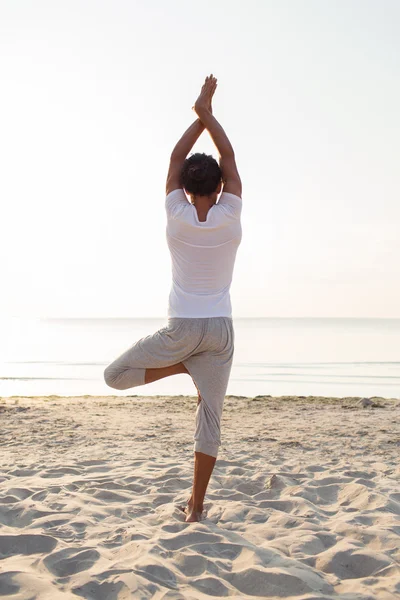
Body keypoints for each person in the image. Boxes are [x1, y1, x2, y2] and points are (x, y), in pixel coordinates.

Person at [104, 74, 242, 522]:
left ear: (184, 187)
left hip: (182, 329)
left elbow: (177, 156)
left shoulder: (176, 214)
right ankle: (196, 506)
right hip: (219, 331)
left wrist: (197, 115)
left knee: (115, 376)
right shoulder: (231, 213)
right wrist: (207, 112)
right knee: (211, 422)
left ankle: (184, 365)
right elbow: (229, 156)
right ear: (220, 188)